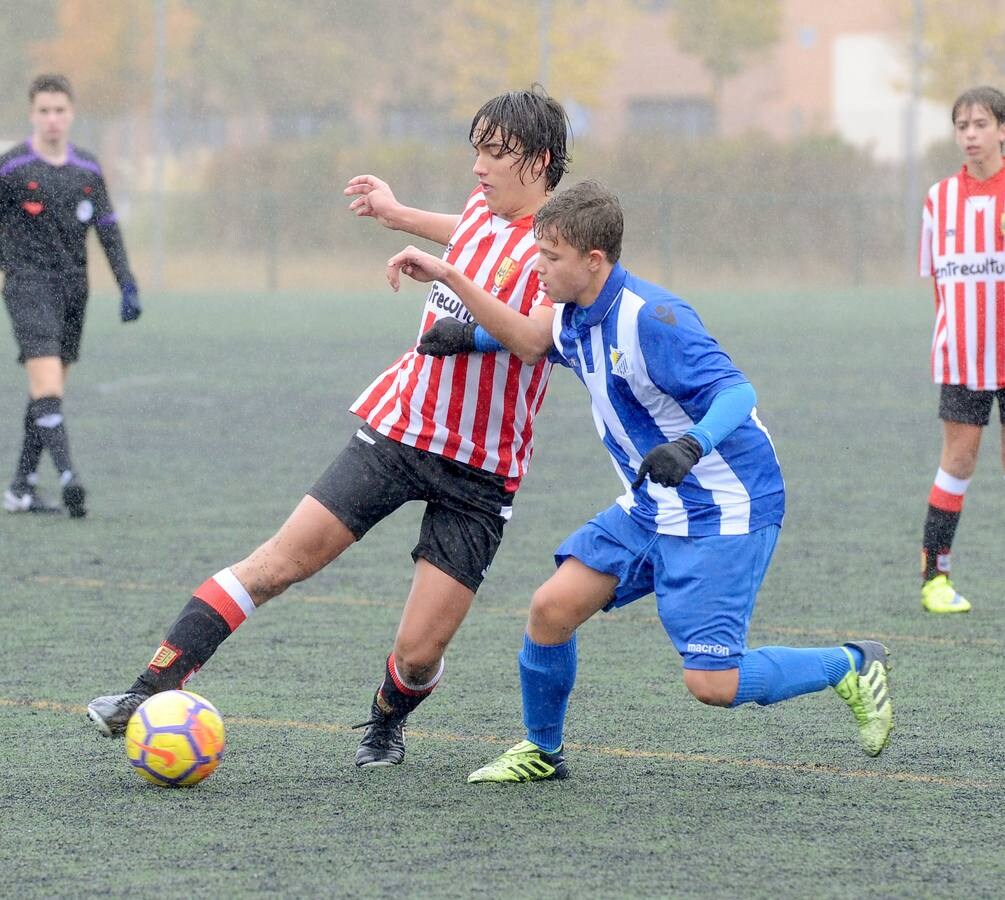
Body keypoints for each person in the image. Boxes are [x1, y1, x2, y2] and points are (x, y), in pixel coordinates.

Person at [87, 86, 571, 768]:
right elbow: (463, 232)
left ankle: (384, 722)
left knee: (420, 650)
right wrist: (396, 212)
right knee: (276, 563)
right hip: (400, 429)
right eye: (476, 151)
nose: (478, 168)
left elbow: (532, 341)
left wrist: (460, 315)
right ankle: (144, 691)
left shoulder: (556, 243)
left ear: (539, 161)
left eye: (495, 154)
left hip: (481, 470)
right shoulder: (478, 209)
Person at [386, 181, 893, 783]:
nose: (536, 266)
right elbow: (548, 346)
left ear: (593, 261)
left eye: (549, 256)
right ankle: (542, 750)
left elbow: (737, 391)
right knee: (551, 609)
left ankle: (849, 665)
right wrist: (467, 338)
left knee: (711, 682)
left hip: (725, 504)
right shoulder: (572, 313)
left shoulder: (655, 319)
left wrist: (690, 445)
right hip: (655, 502)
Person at [1, 73, 141, 518]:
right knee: (47, 388)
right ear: (32, 115)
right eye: (44, 111)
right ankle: (68, 478)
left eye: (59, 110)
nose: (52, 119)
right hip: (26, 284)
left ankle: (21, 488)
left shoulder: (88, 168)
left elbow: (108, 230)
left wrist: (127, 284)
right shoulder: (12, 168)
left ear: (71, 114)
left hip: (72, 290)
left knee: (49, 391)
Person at [916, 85, 1005, 614]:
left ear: (1002, 129)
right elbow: (937, 282)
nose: (970, 135)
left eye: (980, 124)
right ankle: (935, 578)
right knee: (958, 461)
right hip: (963, 357)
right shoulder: (938, 198)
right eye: (961, 126)